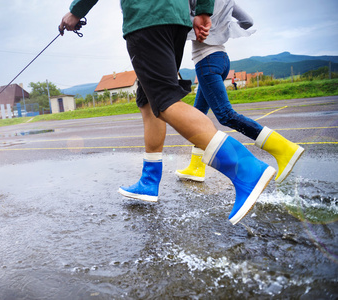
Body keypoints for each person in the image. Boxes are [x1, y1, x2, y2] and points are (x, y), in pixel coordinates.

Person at [60, 0, 276, 225]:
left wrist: (76, 11)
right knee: (148, 101)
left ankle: (247, 169)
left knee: (164, 101)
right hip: (176, 19)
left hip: (147, 17)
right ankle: (149, 180)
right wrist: (203, 10)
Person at [175, 0, 304, 185]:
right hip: (222, 59)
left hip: (206, 62)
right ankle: (196, 167)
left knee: (225, 115)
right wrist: (222, 28)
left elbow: (179, 24)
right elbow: (248, 21)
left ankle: (284, 148)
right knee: (198, 115)